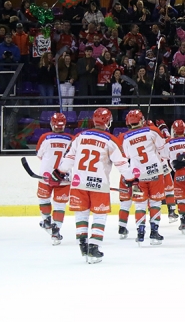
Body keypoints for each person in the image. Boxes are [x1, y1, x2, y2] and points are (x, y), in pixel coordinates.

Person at [50, 108, 128, 263]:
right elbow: (122, 163)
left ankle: (82, 244)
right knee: (99, 215)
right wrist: (132, 178)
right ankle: (94, 246)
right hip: (99, 185)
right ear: (108, 121)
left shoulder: (79, 136)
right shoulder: (110, 140)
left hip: (79, 184)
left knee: (81, 215)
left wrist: (60, 171)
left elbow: (69, 157)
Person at [118, 109, 168, 245]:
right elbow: (163, 150)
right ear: (142, 120)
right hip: (155, 173)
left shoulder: (125, 137)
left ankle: (140, 233)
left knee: (140, 204)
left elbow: (126, 156)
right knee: (156, 203)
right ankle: (154, 232)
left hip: (137, 176)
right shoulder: (153, 130)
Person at [34, 114, 71, 245]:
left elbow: (39, 155)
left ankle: (46, 221)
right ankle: (56, 231)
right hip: (64, 177)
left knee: (44, 199)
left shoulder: (45, 137)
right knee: (60, 205)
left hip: (46, 176)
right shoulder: (71, 139)